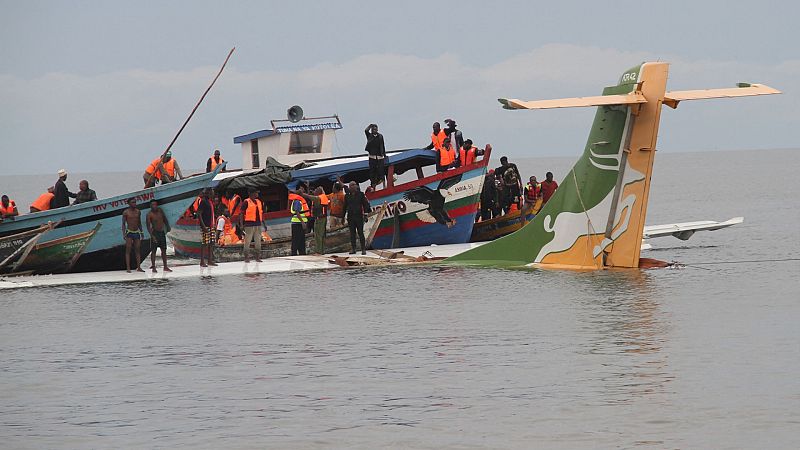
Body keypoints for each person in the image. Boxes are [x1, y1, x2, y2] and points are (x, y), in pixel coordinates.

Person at [293, 186, 330, 254]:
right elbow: (315, 194)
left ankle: (319, 251)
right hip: (319, 218)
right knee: (318, 234)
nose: (314, 191)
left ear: (318, 192)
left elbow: (310, 197)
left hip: (320, 219)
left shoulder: (318, 198)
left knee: (319, 235)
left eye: (316, 190)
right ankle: (320, 250)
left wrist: (303, 194)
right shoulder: (323, 196)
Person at [343, 181, 371, 255]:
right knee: (352, 233)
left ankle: (363, 249)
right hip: (350, 217)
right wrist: (342, 217)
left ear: (356, 186)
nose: (352, 187)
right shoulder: (347, 196)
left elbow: (365, 204)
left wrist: (365, 214)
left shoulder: (361, 194)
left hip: (359, 216)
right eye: (351, 185)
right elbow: (345, 206)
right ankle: (353, 249)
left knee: (360, 233)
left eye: (353, 185)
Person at [146, 199, 172, 273]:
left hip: (161, 232)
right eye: (152, 205)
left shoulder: (160, 210)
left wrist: (168, 226)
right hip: (155, 233)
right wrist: (152, 236)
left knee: (164, 250)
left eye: (155, 204)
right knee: (153, 251)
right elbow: (148, 226)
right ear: (150, 206)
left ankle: (165, 266)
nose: (154, 206)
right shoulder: (149, 214)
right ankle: (154, 267)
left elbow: (164, 219)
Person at [240, 190, 265, 262]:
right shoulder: (246, 202)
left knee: (258, 242)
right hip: (249, 224)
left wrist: (263, 223)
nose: (257, 194)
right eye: (256, 192)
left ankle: (257, 257)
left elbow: (261, 213)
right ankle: (246, 258)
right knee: (247, 241)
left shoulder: (259, 202)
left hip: (258, 224)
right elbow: (241, 213)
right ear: (251, 193)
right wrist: (241, 225)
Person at [122, 197, 144, 273]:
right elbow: (123, 224)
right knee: (128, 250)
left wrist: (142, 233)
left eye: (135, 202)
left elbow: (140, 223)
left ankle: (139, 267)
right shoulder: (126, 212)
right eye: (132, 202)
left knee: (137, 249)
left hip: (136, 232)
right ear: (129, 204)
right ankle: (128, 268)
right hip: (129, 232)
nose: (134, 204)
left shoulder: (138, 212)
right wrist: (124, 233)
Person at [196, 189, 216, 267]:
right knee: (205, 243)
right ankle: (202, 261)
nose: (213, 195)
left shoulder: (210, 202)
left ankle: (210, 260)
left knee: (211, 242)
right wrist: (203, 226)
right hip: (206, 225)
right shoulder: (203, 201)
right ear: (208, 193)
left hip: (211, 225)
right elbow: (199, 213)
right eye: (212, 193)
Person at [289, 185, 309, 256]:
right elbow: (297, 212)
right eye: (301, 189)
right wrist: (302, 222)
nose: (302, 190)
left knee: (301, 240)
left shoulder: (300, 200)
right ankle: (294, 254)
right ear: (297, 191)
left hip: (300, 223)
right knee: (296, 240)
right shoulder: (297, 201)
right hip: (297, 223)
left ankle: (302, 253)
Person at [364, 123, 386, 188]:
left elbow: (382, 145)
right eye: (373, 129)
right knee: (372, 170)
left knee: (381, 170)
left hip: (379, 156)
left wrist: (384, 154)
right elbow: (366, 131)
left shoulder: (380, 136)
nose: (374, 130)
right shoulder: (369, 136)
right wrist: (370, 126)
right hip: (372, 156)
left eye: (375, 129)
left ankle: (381, 180)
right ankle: (373, 183)